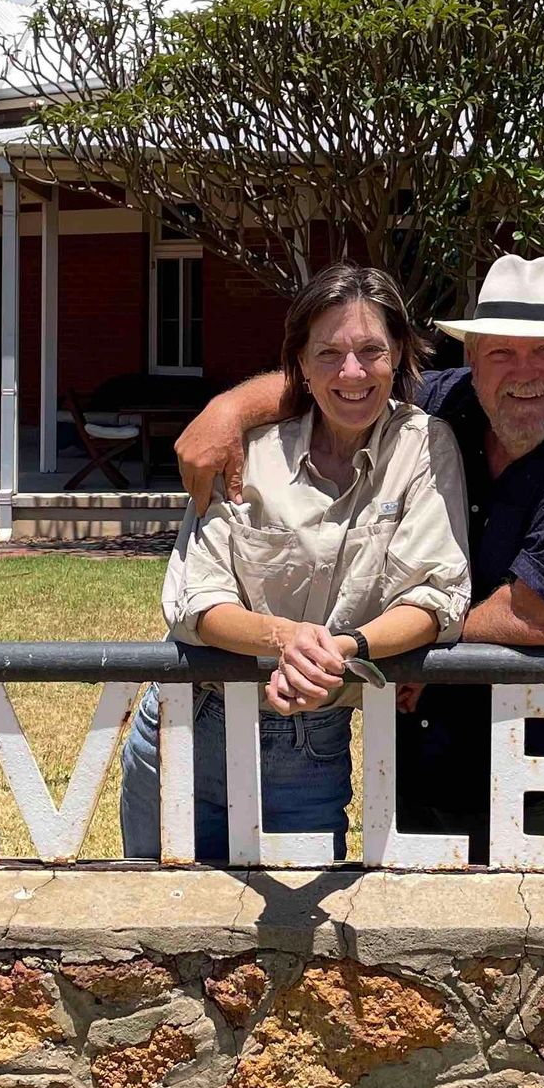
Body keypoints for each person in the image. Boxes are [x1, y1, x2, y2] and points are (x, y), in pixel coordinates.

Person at [177, 254, 544, 863]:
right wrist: (228, 411)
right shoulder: (454, 402)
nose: (523, 373)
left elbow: (543, 616)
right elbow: (342, 384)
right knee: (418, 934)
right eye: (502, 352)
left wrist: (408, 639)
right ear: (471, 357)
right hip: (423, 749)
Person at [117, 263, 470, 862]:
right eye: (328, 353)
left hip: (309, 746)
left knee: (293, 951)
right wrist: (286, 639)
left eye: (370, 350)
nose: (351, 372)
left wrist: (344, 649)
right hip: (184, 727)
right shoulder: (247, 450)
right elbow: (194, 602)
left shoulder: (425, 446)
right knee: (157, 932)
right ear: (300, 365)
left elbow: (437, 598)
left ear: (400, 355)